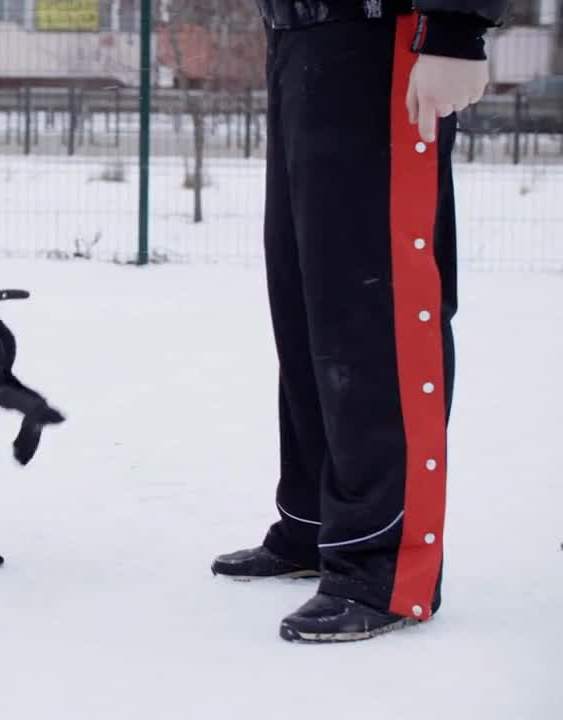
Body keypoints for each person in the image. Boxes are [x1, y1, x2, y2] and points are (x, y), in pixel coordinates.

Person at [211, 0, 510, 643]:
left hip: (386, 35)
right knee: (306, 305)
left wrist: (456, 25)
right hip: (301, 34)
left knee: (376, 306)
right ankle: (317, 525)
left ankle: (383, 563)